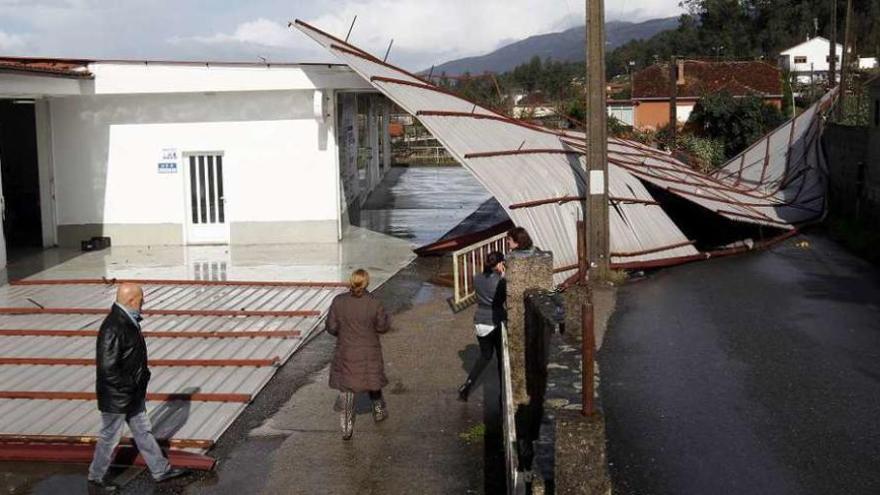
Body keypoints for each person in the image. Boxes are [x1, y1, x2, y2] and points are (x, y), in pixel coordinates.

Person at [88, 283, 189, 492]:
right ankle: (96, 477)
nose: (144, 302)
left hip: (130, 394)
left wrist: (140, 381)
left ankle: (161, 470)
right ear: (132, 300)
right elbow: (108, 368)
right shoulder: (114, 326)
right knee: (110, 437)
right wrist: (131, 385)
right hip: (118, 396)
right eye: (141, 299)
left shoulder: (127, 320)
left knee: (143, 431)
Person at [325, 269, 391, 440]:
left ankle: (346, 428)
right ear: (367, 283)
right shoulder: (374, 302)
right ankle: (378, 411)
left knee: (347, 388)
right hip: (369, 349)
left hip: (346, 350)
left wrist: (344, 332)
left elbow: (331, 327)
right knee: (372, 379)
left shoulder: (339, 301)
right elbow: (382, 327)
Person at [458, 251, 507, 402]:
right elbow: (503, 300)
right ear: (499, 264)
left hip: (479, 320)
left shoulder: (477, 278)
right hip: (495, 321)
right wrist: (504, 278)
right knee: (501, 358)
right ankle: (503, 395)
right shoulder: (501, 281)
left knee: (485, 356)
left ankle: (467, 385)